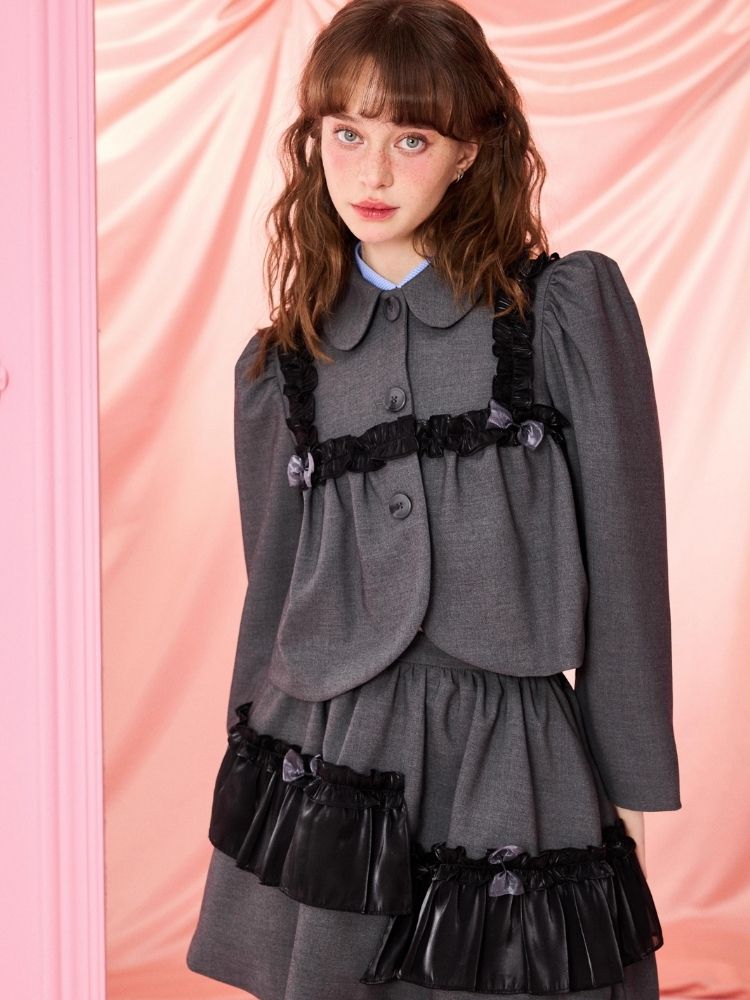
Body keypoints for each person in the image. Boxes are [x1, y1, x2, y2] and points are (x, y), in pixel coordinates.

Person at [186, 1, 681, 998]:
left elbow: (628, 557)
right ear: (316, 140)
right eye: (348, 134)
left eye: (410, 138)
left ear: (468, 152)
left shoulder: (558, 318)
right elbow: (272, 590)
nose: (372, 173)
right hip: (329, 752)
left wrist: (629, 778)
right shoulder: (282, 368)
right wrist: (248, 769)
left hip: (511, 753)